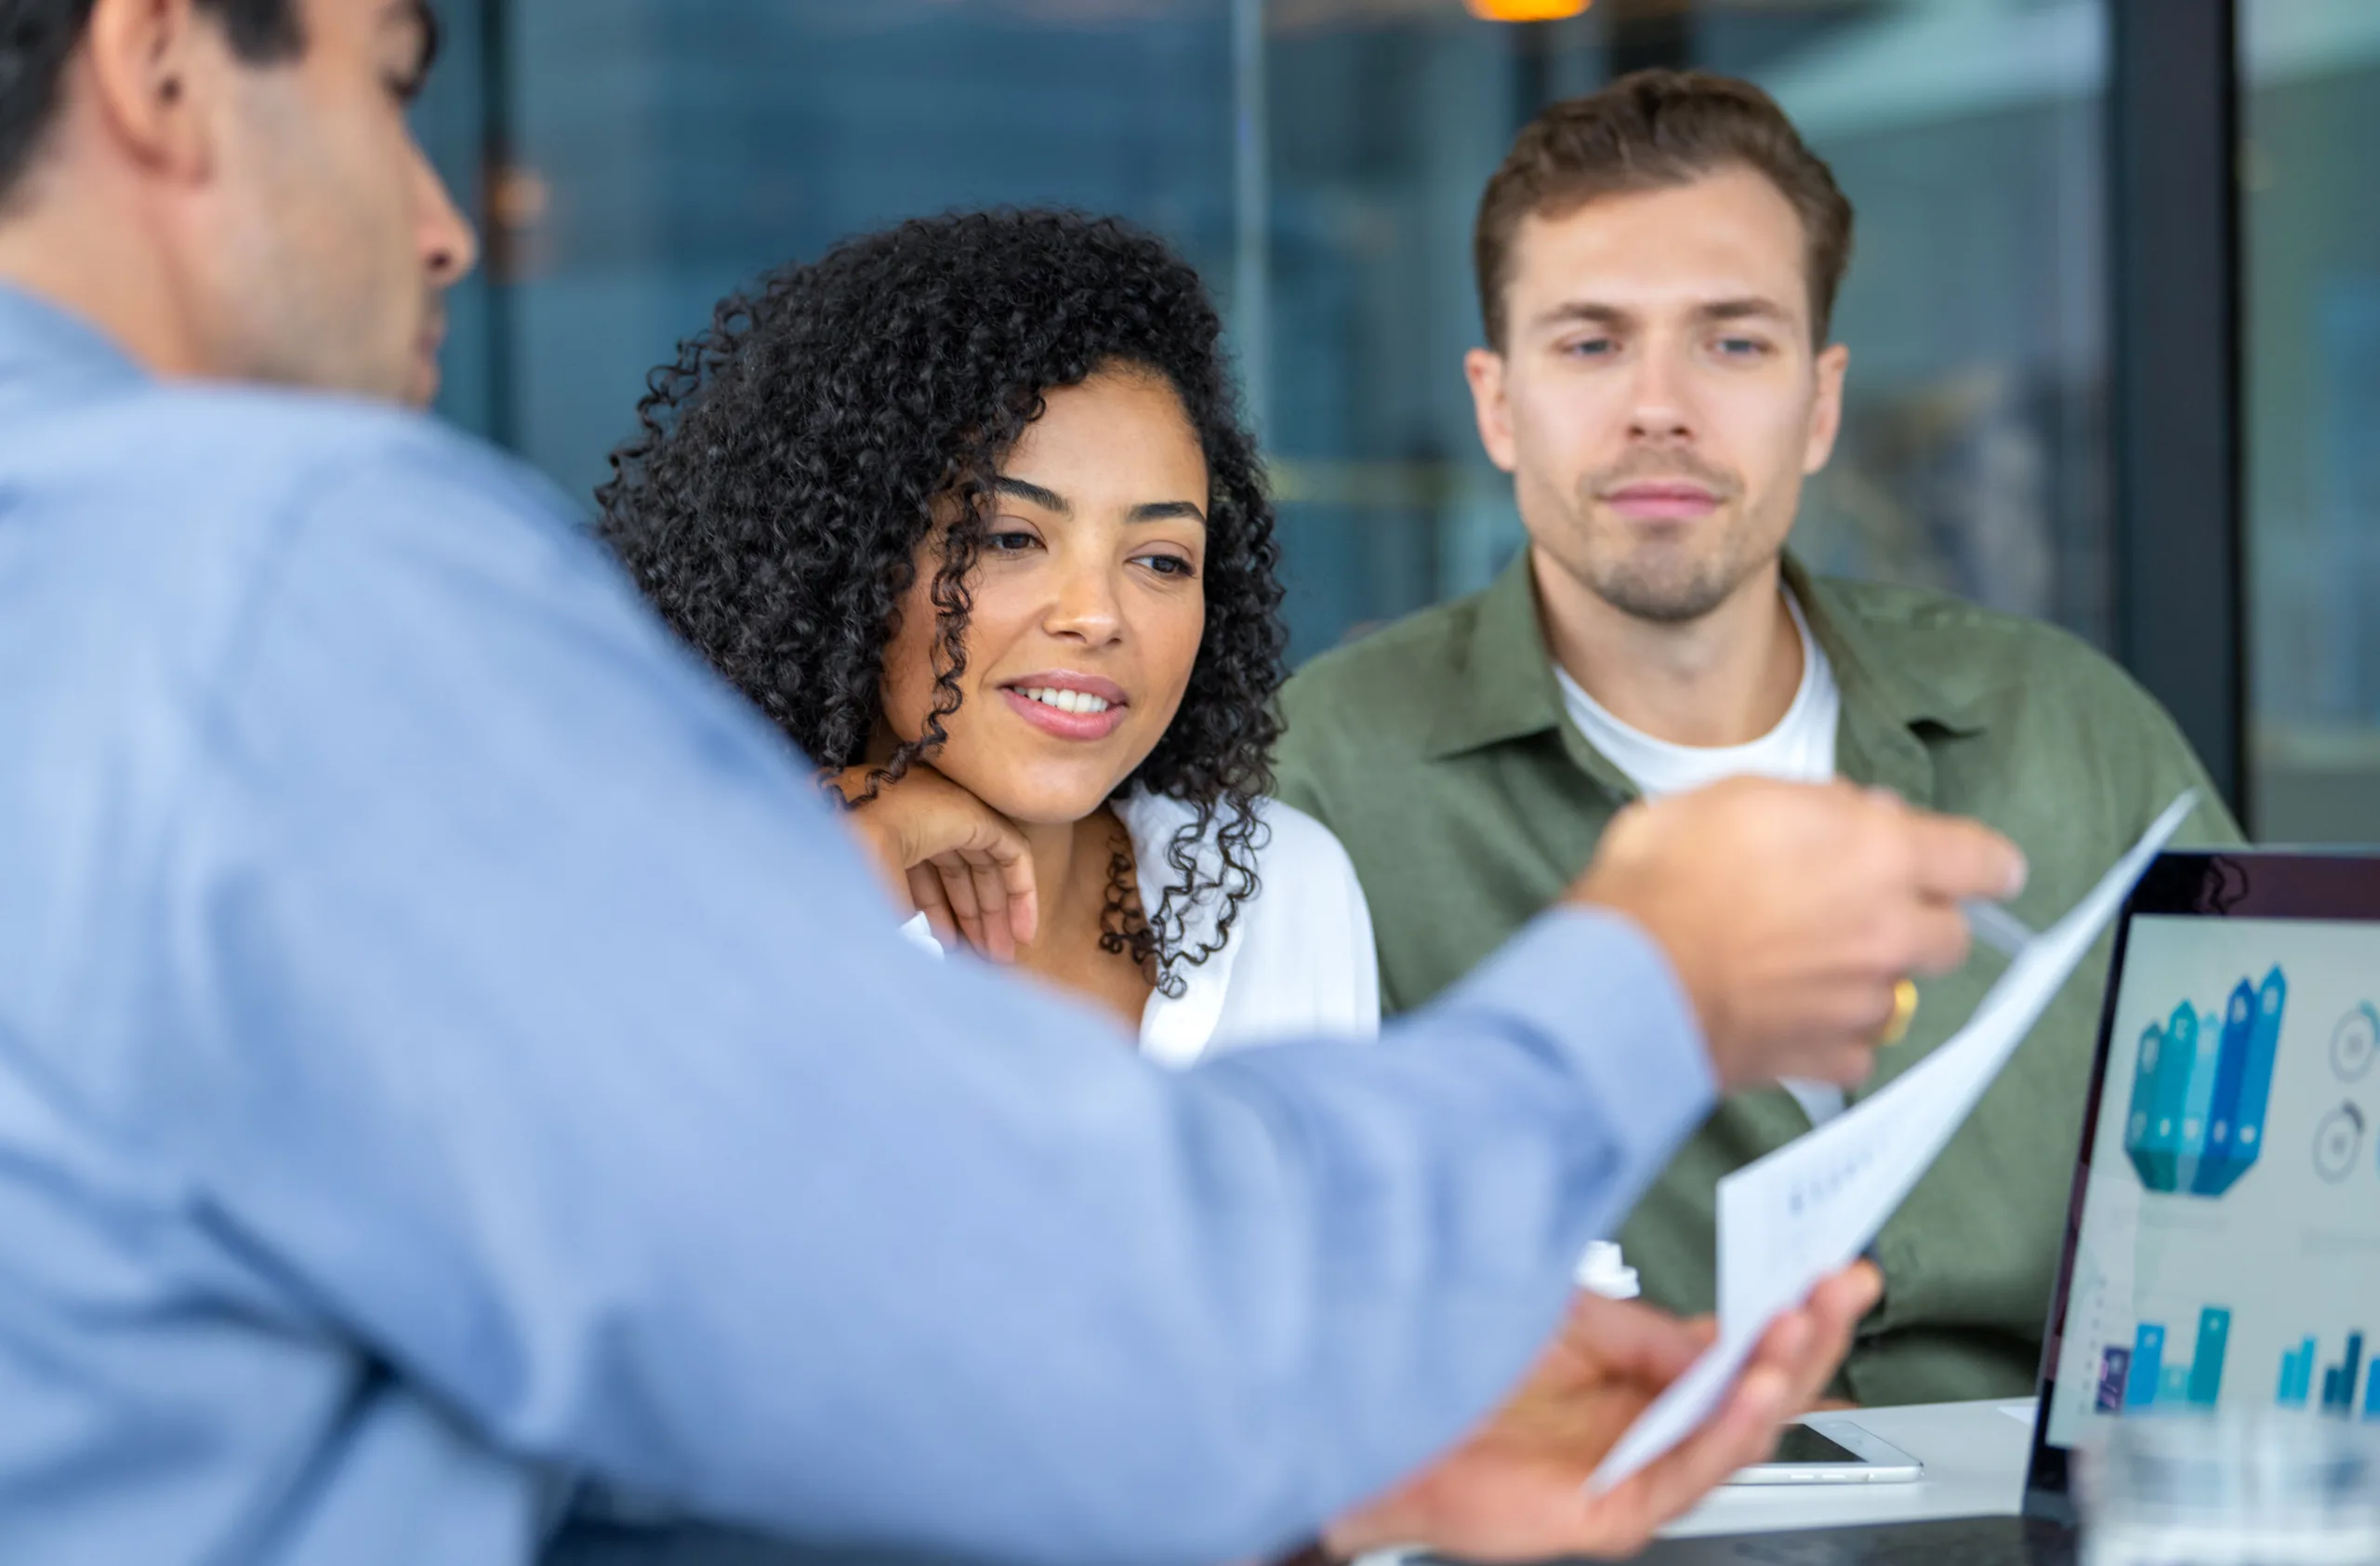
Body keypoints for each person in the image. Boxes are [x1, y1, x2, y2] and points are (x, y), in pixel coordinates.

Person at [0, 4, 2024, 1563]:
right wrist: (1640, 977)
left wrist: (1306, 1452)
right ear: (164, 59)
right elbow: (1023, 1288)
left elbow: (581, 1401)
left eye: (1160, 553)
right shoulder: (259, 561)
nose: (449, 219)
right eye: (386, 82)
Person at [1271, 69, 2243, 1411]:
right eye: (1591, 342)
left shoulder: (2070, 730)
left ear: (1822, 399)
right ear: (1496, 403)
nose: (1660, 405)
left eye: (1733, 343)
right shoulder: (1323, 775)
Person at [597, 211, 1376, 1062]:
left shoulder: (1277, 895)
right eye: (1008, 539)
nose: (1097, 614)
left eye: (1159, 559)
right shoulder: (681, 917)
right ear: (849, 558)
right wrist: (815, 865)